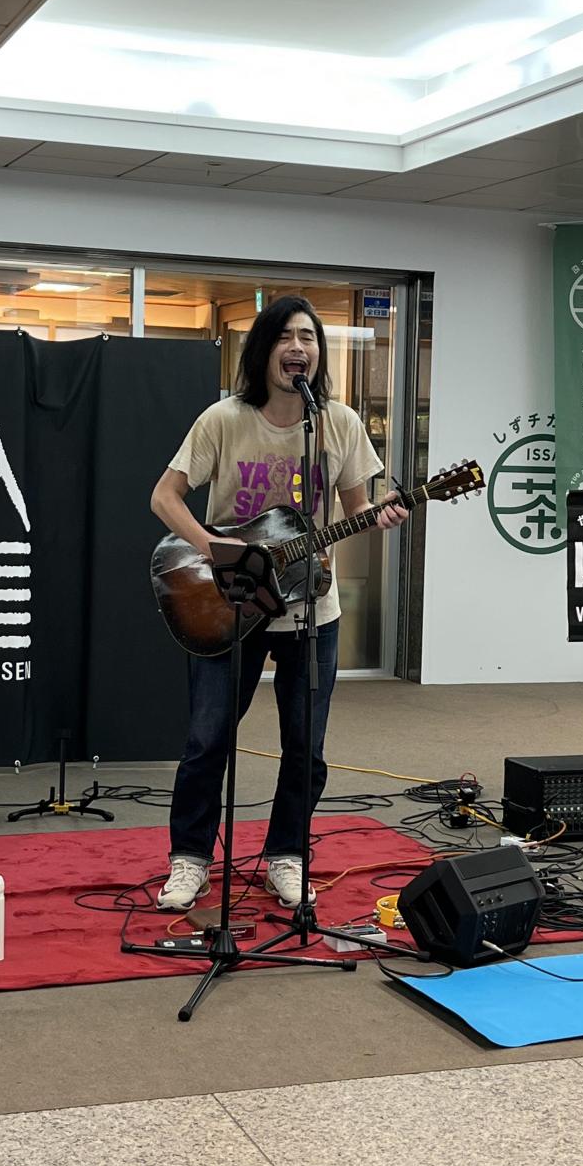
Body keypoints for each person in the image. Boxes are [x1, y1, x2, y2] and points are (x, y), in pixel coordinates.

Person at [150, 295, 408, 911]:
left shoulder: (339, 423)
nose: (300, 348)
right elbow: (165, 498)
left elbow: (352, 514)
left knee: (305, 746)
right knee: (207, 740)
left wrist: (384, 515)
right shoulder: (224, 420)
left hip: (310, 611)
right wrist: (214, 548)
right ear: (264, 349)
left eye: (310, 339)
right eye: (288, 337)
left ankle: (287, 856)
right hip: (232, 601)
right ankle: (189, 860)